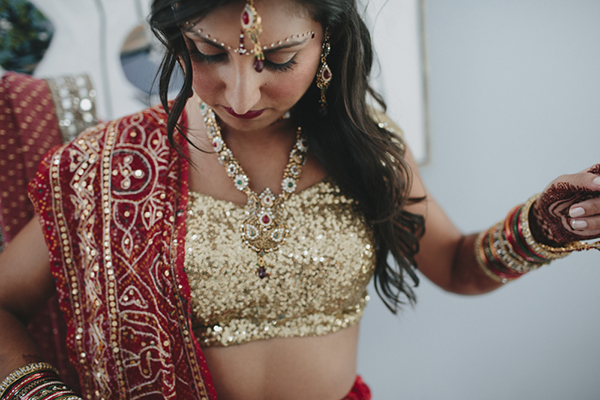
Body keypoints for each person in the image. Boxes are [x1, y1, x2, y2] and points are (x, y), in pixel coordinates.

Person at [0, 0, 599, 399]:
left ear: (328, 42)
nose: (240, 91)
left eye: (278, 60)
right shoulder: (112, 165)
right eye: (207, 53)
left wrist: (548, 225)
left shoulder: (369, 147)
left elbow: (458, 267)